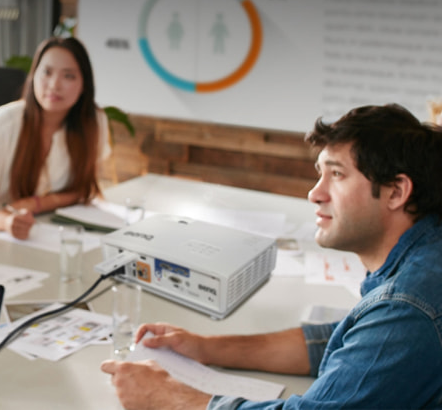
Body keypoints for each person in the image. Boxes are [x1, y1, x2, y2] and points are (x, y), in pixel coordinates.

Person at [100, 103, 442, 409]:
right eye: (319, 173)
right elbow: (348, 339)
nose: (314, 193)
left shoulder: (408, 306)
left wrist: (172, 399)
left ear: (396, 191)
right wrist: (206, 348)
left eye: (337, 175)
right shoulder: (422, 258)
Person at [0, 36, 112, 239]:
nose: (54, 85)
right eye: (47, 72)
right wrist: (7, 222)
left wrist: (37, 204)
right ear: (33, 76)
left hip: (45, 233)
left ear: (84, 84)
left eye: (68, 76)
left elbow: (83, 189)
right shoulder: (4, 123)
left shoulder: (94, 122)